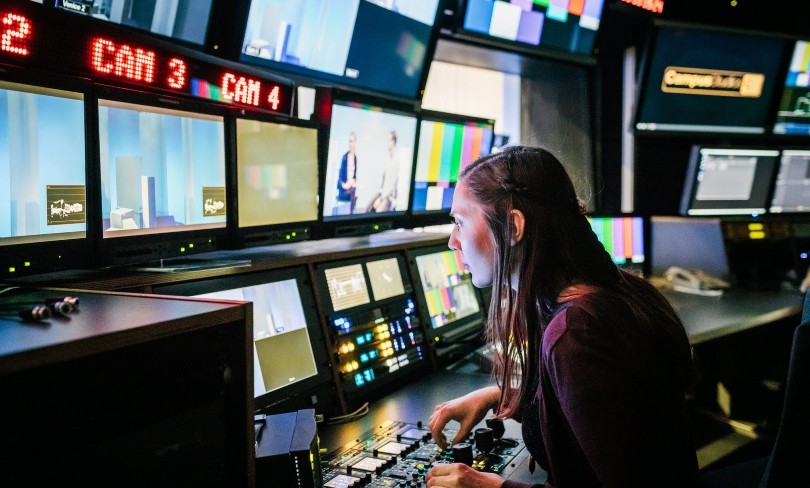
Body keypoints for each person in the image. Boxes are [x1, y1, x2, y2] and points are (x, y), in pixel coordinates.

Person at [425, 146, 700, 488]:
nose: (453, 241)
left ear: (512, 226)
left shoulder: (576, 334)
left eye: (460, 222)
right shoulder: (615, 292)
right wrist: (501, 395)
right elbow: (609, 413)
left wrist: (492, 486)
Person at [366, 130, 399, 213]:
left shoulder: (396, 161)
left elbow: (391, 187)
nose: (387, 143)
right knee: (367, 209)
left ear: (393, 142)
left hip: (389, 197)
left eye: (388, 140)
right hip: (382, 193)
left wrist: (380, 199)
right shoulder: (388, 160)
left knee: (378, 212)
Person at [335, 132, 358, 214]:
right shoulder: (344, 158)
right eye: (349, 141)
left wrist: (353, 182)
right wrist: (344, 185)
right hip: (344, 189)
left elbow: (354, 176)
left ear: (355, 143)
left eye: (352, 141)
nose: (350, 144)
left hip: (351, 189)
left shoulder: (355, 158)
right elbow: (340, 177)